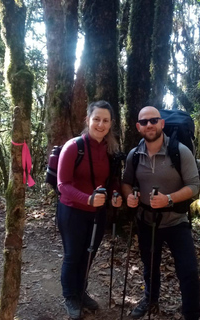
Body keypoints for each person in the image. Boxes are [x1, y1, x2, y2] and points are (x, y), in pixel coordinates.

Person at [122, 106, 200, 320]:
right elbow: (126, 182)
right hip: (147, 221)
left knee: (188, 271)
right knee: (150, 267)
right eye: (145, 122)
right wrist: (129, 196)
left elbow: (194, 186)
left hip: (176, 221)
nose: (149, 125)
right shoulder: (134, 155)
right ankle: (150, 299)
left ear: (162, 124)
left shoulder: (180, 151)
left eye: (154, 120)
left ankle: (192, 314)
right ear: (138, 127)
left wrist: (168, 199)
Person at [57, 100, 123, 319]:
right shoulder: (73, 147)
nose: (101, 124)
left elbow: (112, 180)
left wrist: (115, 195)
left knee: (90, 254)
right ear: (88, 120)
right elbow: (62, 185)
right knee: (73, 255)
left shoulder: (111, 150)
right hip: (72, 211)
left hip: (98, 213)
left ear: (111, 124)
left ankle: (81, 291)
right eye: (96, 119)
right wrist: (87, 199)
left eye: (105, 121)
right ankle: (70, 296)